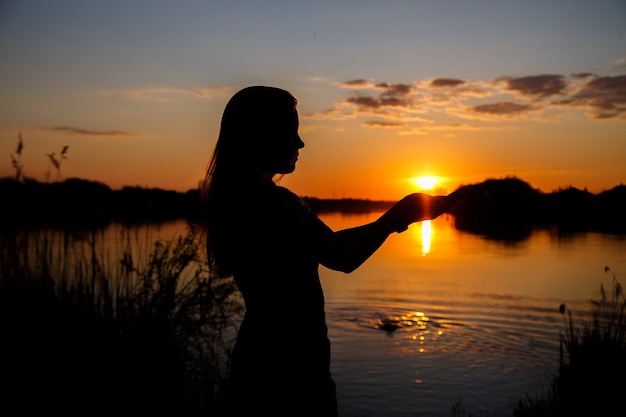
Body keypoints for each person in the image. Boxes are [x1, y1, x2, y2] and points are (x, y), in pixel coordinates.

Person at [202, 86, 460, 416]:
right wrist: (400, 214)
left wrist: (393, 219)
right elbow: (341, 256)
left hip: (255, 364)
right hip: (294, 376)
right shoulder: (276, 203)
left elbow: (330, 245)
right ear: (262, 137)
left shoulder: (239, 201)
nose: (300, 143)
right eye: (290, 132)